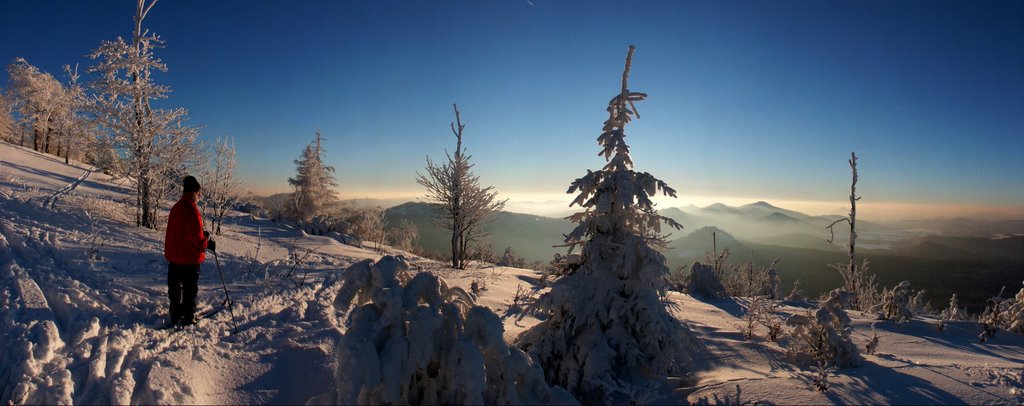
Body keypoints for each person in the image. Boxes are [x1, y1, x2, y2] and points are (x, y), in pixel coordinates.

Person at [164, 175, 215, 326]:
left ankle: (175, 310)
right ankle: (187, 315)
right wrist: (207, 242)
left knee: (175, 287)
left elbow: (182, 232)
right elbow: (196, 238)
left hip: (174, 256)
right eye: (199, 192)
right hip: (189, 258)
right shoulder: (191, 209)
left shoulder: (177, 206)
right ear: (194, 191)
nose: (200, 195)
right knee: (189, 288)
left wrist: (201, 236)